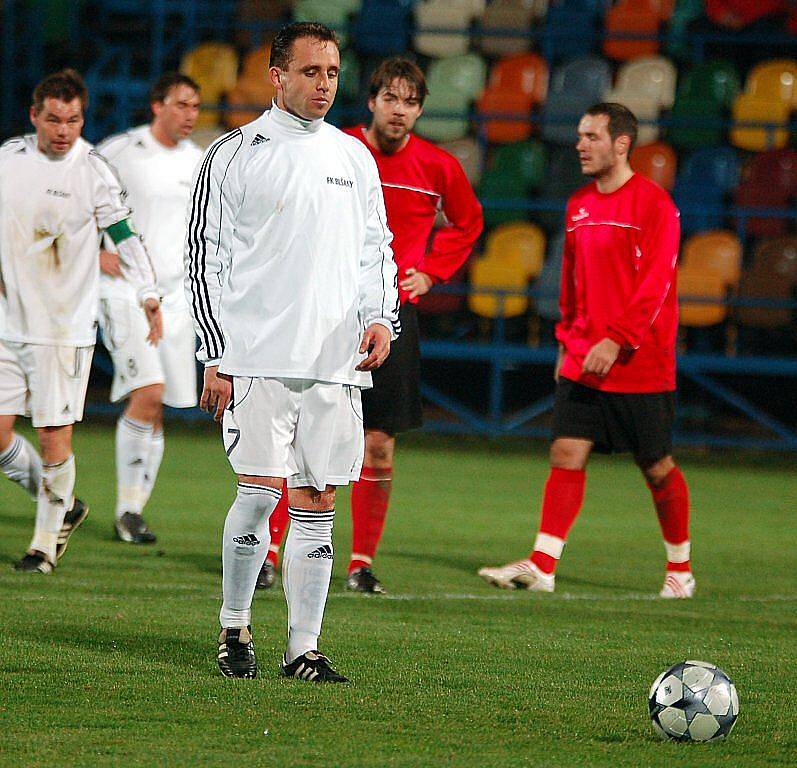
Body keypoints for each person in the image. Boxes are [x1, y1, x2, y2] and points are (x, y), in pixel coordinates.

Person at [185, 22, 399, 681]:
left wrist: (381, 318)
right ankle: (233, 629)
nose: (324, 85)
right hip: (255, 359)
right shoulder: (234, 152)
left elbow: (375, 252)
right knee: (257, 495)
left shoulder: (353, 157)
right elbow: (203, 259)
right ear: (276, 76)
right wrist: (214, 353)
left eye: (332, 73)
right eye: (310, 72)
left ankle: (302, 648)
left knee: (316, 504)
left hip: (335, 364)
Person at [258, 57, 483, 594]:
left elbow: (468, 222)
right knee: (295, 438)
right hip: (323, 312)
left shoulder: (438, 167)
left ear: (420, 110)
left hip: (391, 316)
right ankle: (269, 551)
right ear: (373, 101)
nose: (399, 110)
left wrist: (431, 271)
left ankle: (360, 563)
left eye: (410, 102)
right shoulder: (336, 150)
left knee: (379, 443)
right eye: (390, 98)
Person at [478, 103, 695, 599]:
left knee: (656, 464)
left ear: (622, 144)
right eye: (579, 135)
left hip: (638, 360)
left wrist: (617, 337)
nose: (580, 144)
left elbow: (657, 282)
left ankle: (680, 570)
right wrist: (567, 342)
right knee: (566, 451)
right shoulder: (579, 204)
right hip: (583, 355)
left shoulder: (655, 205)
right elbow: (572, 285)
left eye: (592, 136)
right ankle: (542, 565)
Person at [0, 69, 162, 574]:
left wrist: (149, 292)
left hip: (62, 328)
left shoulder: (94, 168)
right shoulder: (8, 159)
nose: (63, 130)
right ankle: (64, 505)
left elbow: (126, 237)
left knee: (53, 437)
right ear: (34, 116)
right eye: (53, 119)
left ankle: (44, 545)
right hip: (6, 321)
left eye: (73, 120)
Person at [96, 73, 202, 545]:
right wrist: (91, 252)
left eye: (196, 107)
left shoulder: (200, 161)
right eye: (181, 105)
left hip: (178, 298)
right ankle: (126, 509)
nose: (190, 115)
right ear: (157, 105)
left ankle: (134, 510)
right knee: (150, 391)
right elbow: (77, 200)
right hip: (122, 290)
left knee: (157, 407)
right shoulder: (120, 150)